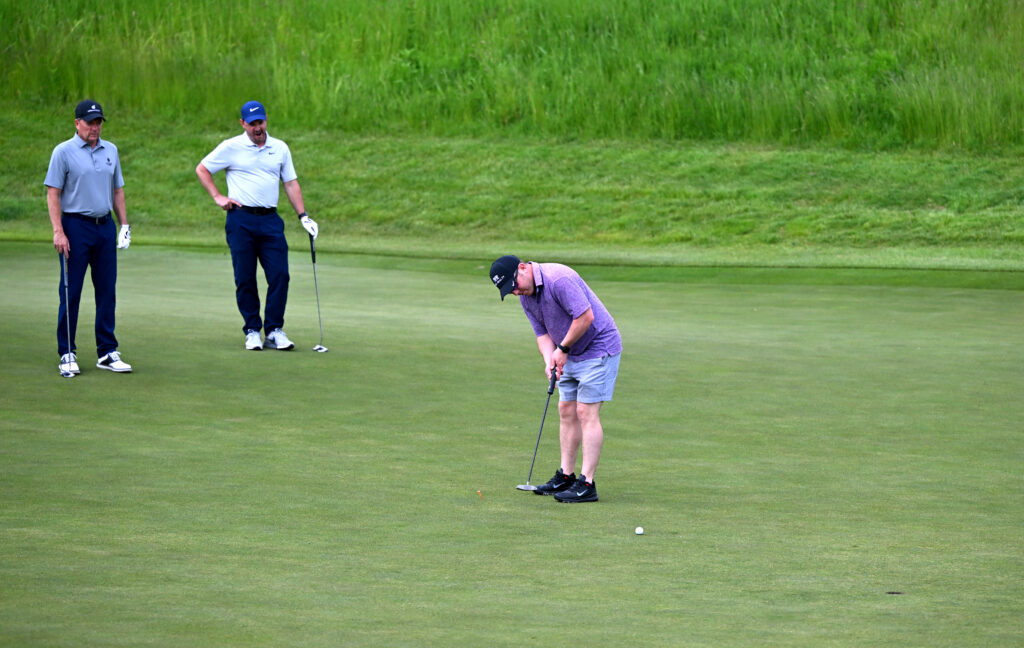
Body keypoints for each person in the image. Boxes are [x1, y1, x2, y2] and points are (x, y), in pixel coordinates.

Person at [489, 255, 623, 503]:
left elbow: (585, 317)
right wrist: (549, 360)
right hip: (568, 351)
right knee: (566, 410)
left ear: (522, 268)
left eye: (514, 285)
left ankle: (587, 484)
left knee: (585, 412)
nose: (516, 292)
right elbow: (541, 334)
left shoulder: (559, 279)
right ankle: (566, 476)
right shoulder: (526, 296)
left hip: (598, 347)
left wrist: (561, 349)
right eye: (510, 291)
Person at [195, 100, 318, 351]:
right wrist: (218, 197)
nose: (258, 128)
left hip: (271, 220)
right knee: (245, 277)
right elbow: (202, 169)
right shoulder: (231, 147)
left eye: (260, 122)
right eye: (252, 124)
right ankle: (252, 329)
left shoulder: (280, 148)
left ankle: (274, 330)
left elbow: (290, 183)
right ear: (243, 124)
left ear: (266, 119)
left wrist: (303, 216)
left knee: (280, 275)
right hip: (241, 220)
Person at [45, 99, 133, 375]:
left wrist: (124, 225)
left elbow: (117, 190)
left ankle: (107, 351)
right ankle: (67, 352)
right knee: (70, 292)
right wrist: (58, 231)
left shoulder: (111, 150)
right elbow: (53, 193)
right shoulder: (63, 152)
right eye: (90, 122)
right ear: (77, 123)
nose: (95, 127)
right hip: (75, 227)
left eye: (98, 122)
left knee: (107, 291)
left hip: (104, 227)